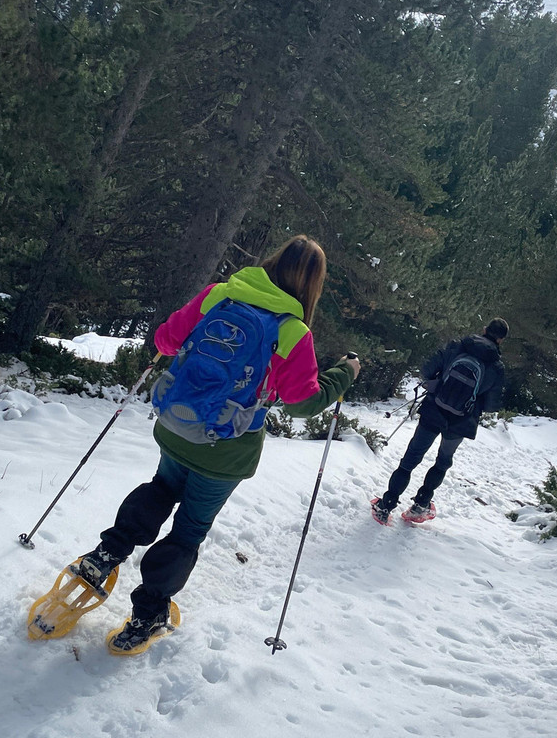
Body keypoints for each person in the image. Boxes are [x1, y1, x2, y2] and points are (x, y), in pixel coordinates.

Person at [73, 235, 361, 655]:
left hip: (177, 426)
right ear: (312, 285)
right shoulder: (292, 331)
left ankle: (106, 553)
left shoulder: (219, 296)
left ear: (273, 261)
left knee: (161, 489)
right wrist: (344, 373)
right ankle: (148, 613)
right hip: (227, 450)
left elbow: (166, 341)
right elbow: (303, 403)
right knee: (189, 528)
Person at [371, 318, 507, 525]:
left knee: (411, 458)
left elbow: (426, 370)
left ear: (484, 330)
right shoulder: (496, 367)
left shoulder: (457, 345)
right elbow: (491, 406)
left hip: (435, 409)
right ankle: (421, 506)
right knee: (443, 461)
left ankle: (386, 505)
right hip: (462, 420)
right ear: (501, 340)